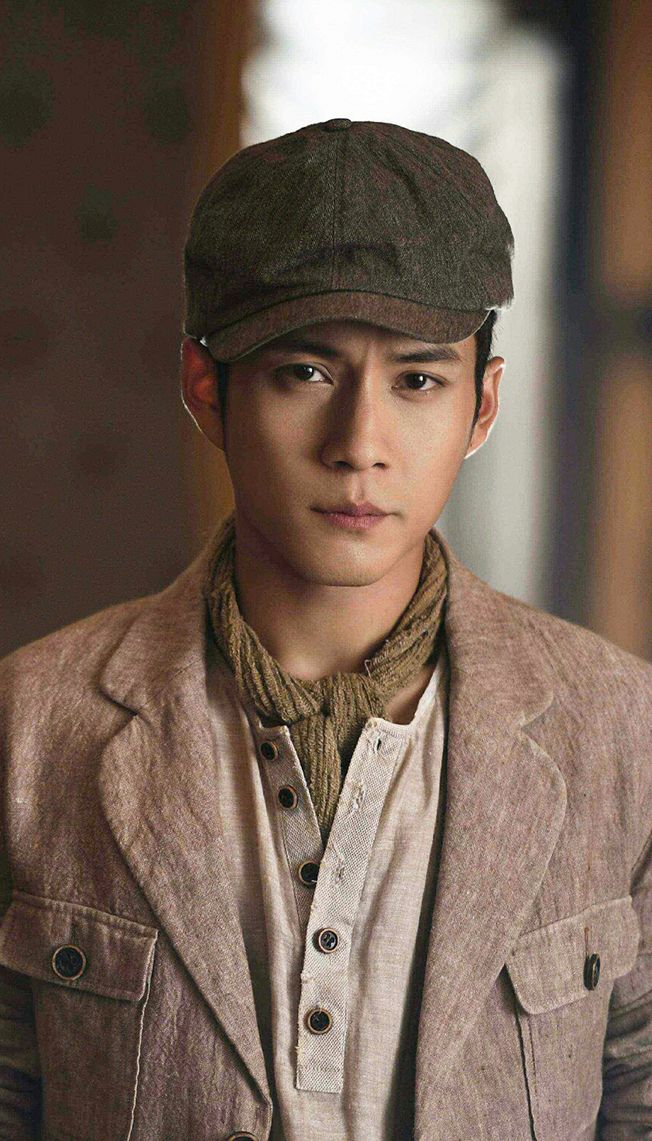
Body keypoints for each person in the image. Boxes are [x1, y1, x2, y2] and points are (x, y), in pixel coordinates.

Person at [0, 118, 649, 1141]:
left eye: (417, 380)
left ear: (482, 406)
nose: (360, 445)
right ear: (206, 387)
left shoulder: (621, 729)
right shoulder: (33, 728)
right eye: (304, 372)